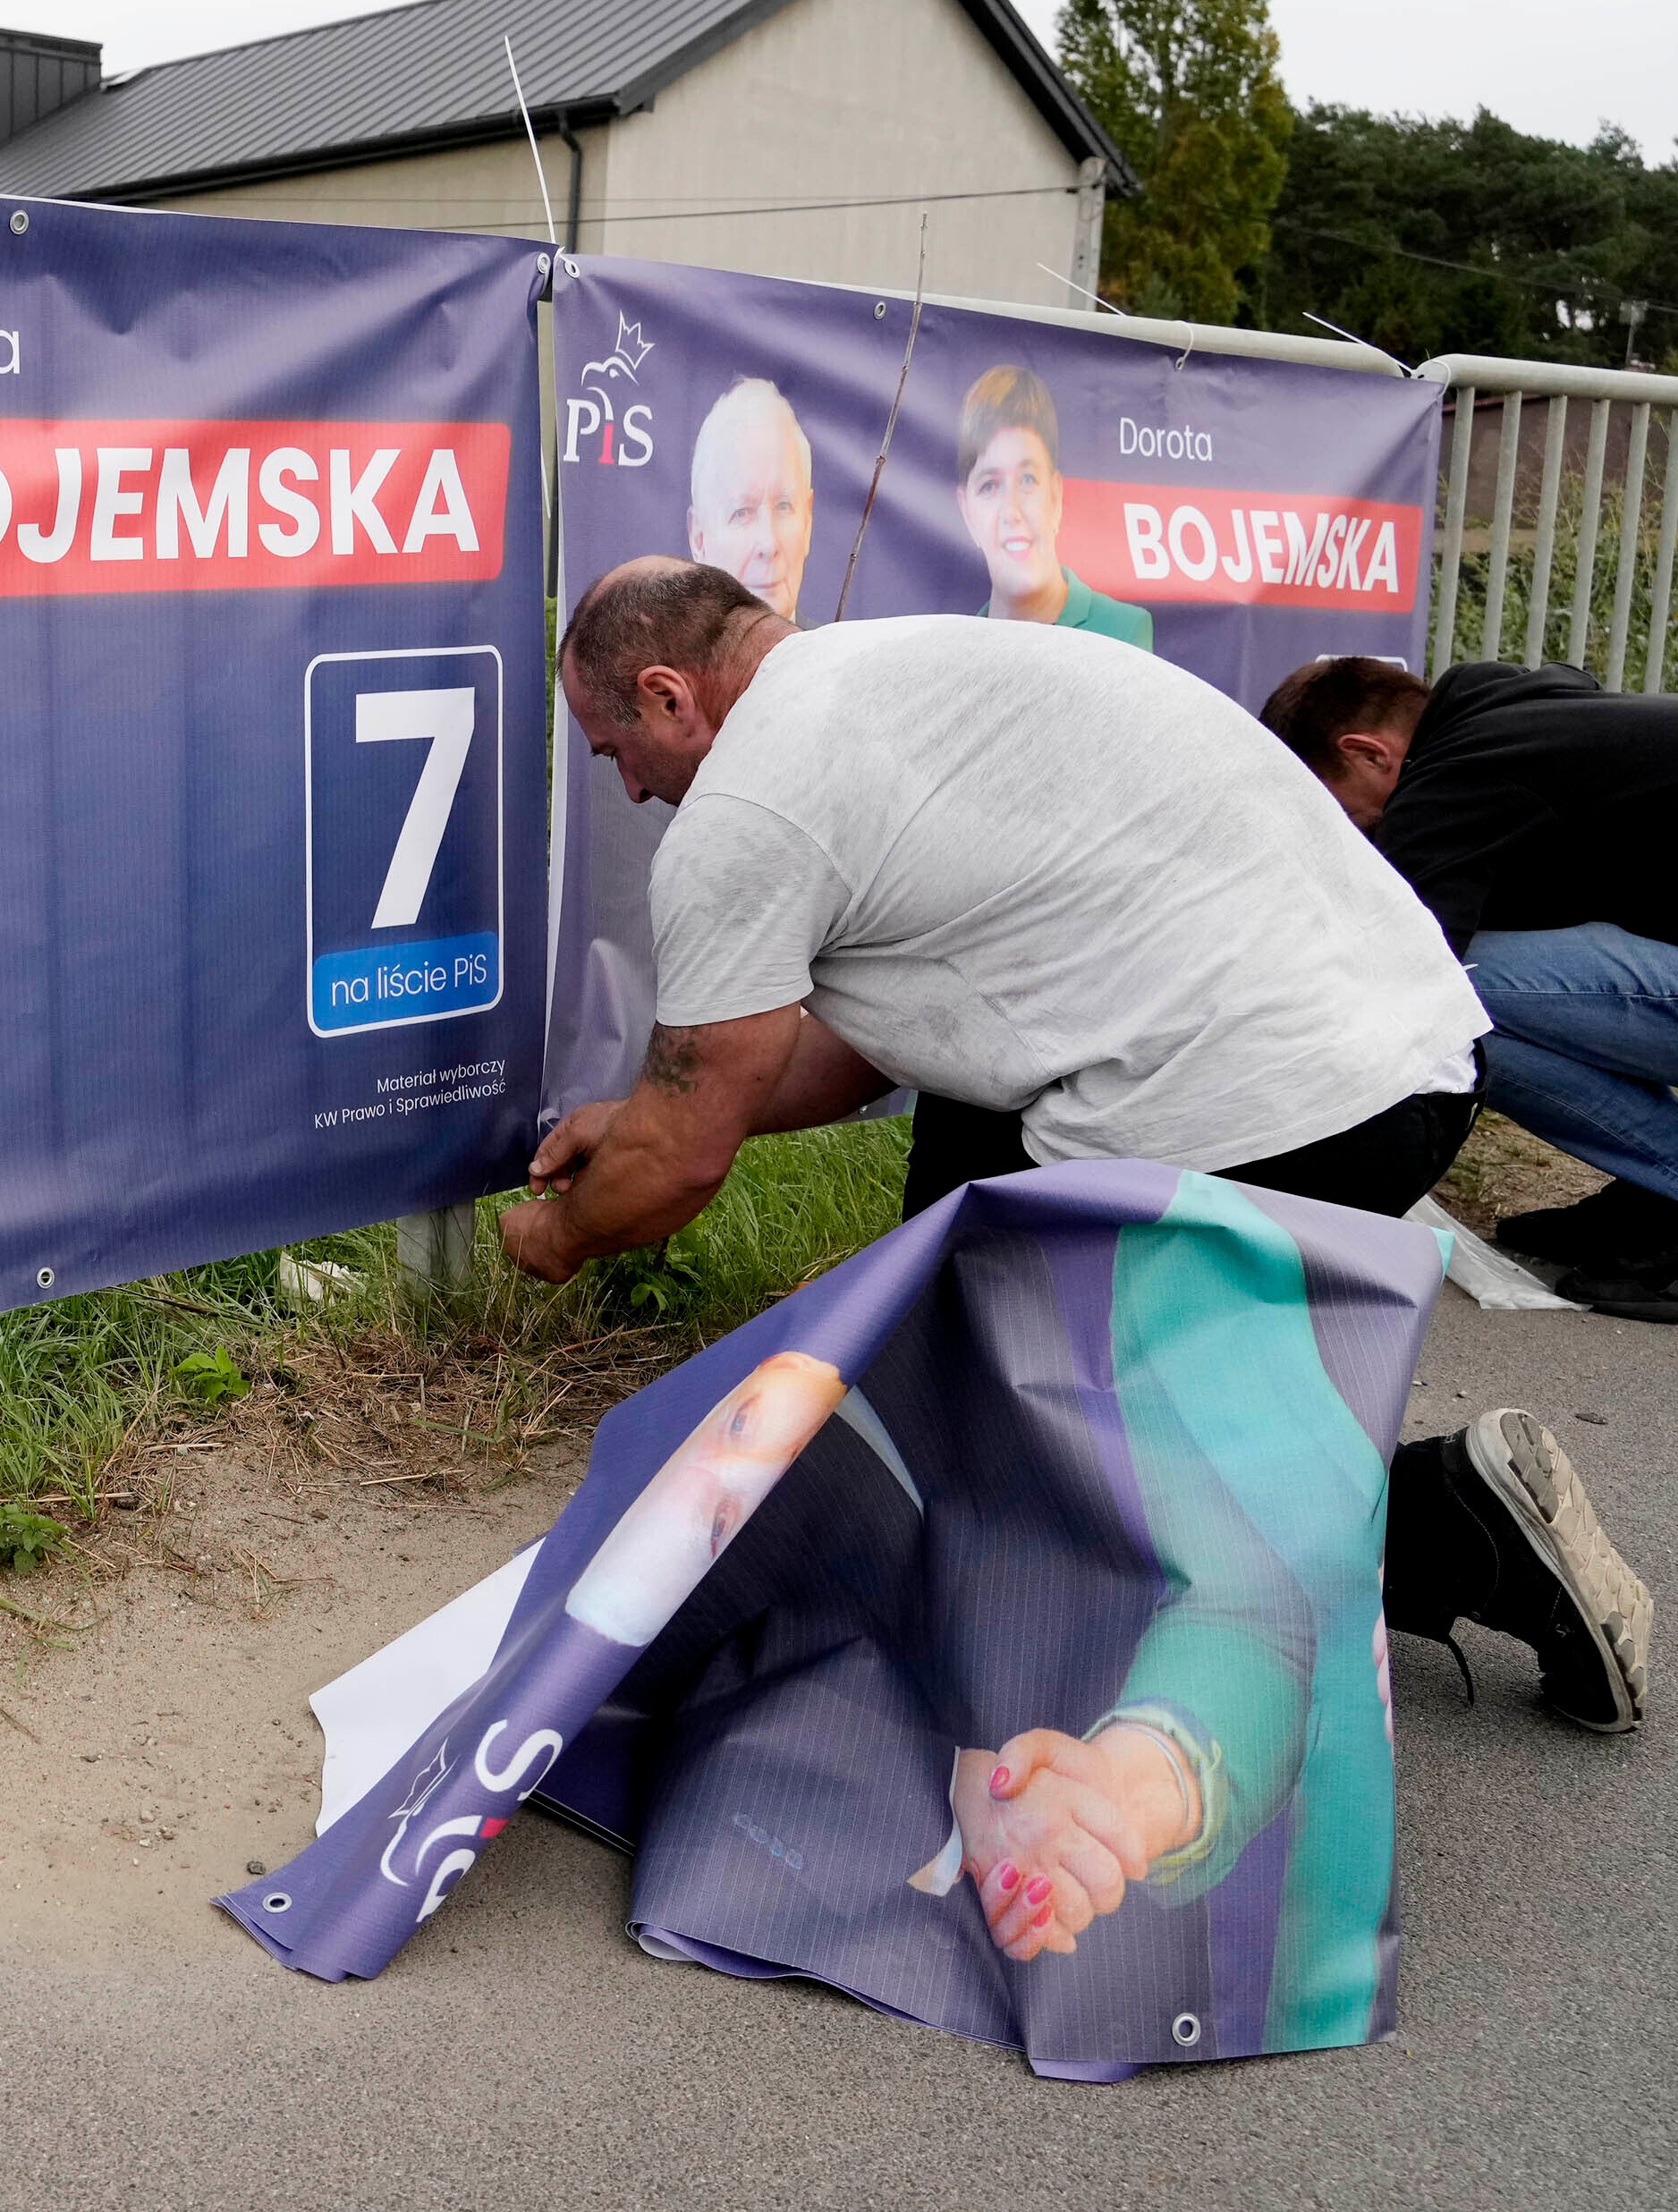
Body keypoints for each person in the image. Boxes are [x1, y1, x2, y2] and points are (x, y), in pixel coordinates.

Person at [502, 557, 1649, 1733]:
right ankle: (1021, 1562)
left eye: (613, 754)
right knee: (993, 1341)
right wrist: (643, 1121)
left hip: (1268, 1088)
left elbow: (687, 1159)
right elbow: (858, 1049)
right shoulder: (907, 672)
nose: (632, 791)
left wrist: (556, 1233)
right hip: (1408, 1055)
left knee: (1045, 1435)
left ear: (666, 696)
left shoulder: (749, 805)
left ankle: (1459, 1527)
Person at [1259, 653, 1678, 1308]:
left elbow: (1402, 970)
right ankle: (1658, 1194)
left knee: (1455, 996)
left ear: (1369, 753)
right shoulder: (1527, 728)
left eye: (1342, 814)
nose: (1358, 835)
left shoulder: (1459, 771)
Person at [954, 366, 1153, 650]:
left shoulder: (1123, 631)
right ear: (966, 513)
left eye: (1027, 480)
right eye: (990, 486)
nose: (1011, 511)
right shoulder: (958, 650)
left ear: (1056, 497)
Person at [683, 377, 814, 621]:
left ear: (807, 523)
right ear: (699, 539)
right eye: (742, 512)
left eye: (784, 506)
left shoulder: (850, 659)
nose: (769, 544)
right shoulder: (665, 659)